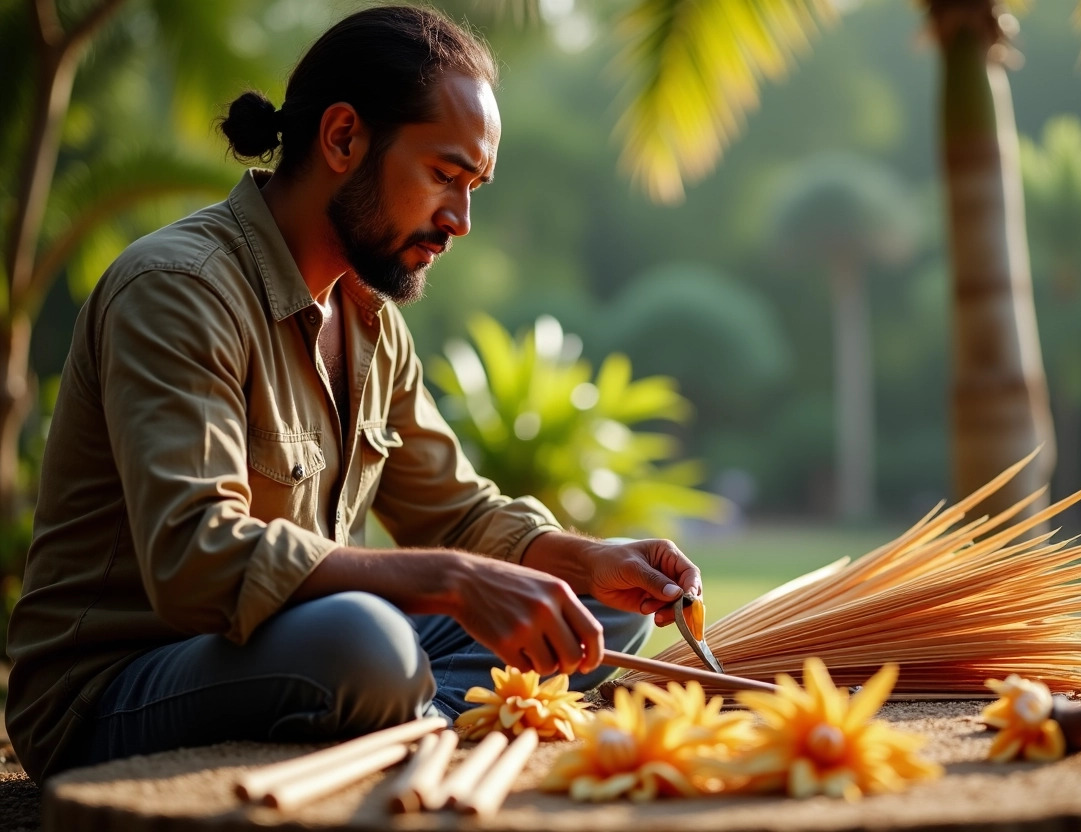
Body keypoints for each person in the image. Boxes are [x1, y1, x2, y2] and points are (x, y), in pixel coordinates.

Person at [5, 4, 701, 786]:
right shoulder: (180, 289)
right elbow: (193, 557)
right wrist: (456, 582)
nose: (462, 220)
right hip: (116, 693)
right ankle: (410, 708)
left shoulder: (368, 316)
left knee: (588, 612)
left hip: (288, 649)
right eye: (444, 175)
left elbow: (457, 511)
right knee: (363, 644)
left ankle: (406, 712)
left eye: (474, 186)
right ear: (343, 139)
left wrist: (587, 558)